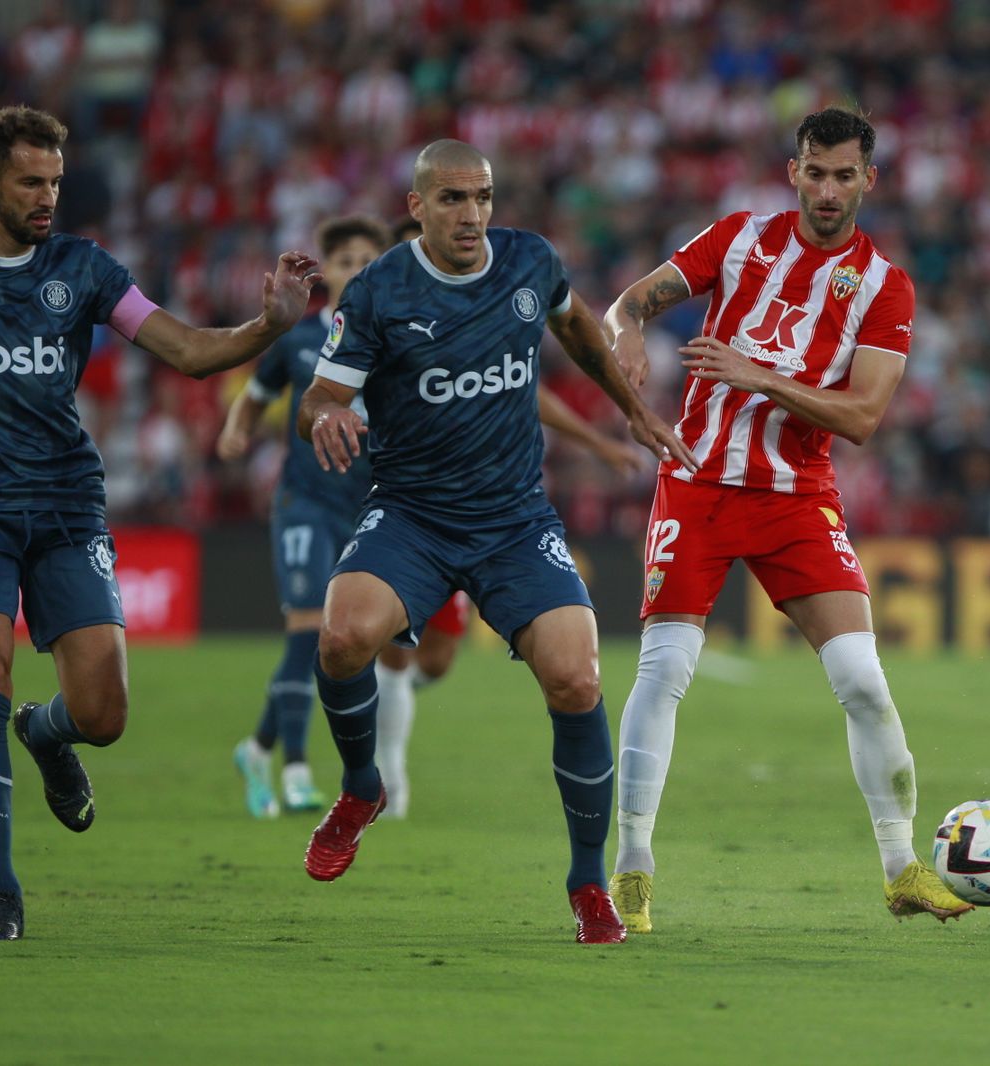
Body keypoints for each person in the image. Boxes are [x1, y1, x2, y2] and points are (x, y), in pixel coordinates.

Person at [296, 139, 692, 944]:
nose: (472, 213)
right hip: (412, 512)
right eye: (452, 199)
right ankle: (362, 786)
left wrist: (630, 409)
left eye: (481, 196)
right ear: (417, 207)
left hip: (514, 518)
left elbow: (579, 329)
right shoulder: (379, 291)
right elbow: (320, 395)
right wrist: (329, 415)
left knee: (578, 678)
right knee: (341, 637)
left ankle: (588, 883)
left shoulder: (529, 261)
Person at [601, 107, 974, 932]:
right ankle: (631, 867)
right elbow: (625, 307)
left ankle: (901, 867)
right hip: (696, 484)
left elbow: (864, 416)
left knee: (865, 685)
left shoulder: (885, 285)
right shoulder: (737, 239)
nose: (830, 189)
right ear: (795, 171)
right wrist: (625, 338)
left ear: (869, 180)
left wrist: (758, 375)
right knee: (663, 672)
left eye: (847, 175)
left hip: (797, 497)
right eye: (817, 171)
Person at [0, 105, 320, 941]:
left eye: (55, 182)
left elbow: (188, 352)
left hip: (64, 500)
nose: (47, 197)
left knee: (103, 713)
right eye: (30, 181)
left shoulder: (83, 267)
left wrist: (269, 325)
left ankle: (46, 733)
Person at [368, 216, 646, 821]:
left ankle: (388, 703)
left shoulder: (483, 306)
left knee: (437, 660)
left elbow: (525, 392)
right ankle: (386, 777)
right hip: (408, 513)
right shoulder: (381, 317)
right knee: (386, 647)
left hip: (489, 518)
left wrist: (598, 444)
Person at [217, 215, 390, 819]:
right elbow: (256, 397)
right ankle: (294, 768)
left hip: (365, 508)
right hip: (303, 502)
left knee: (328, 639)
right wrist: (235, 431)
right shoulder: (296, 341)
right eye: (344, 261)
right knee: (308, 627)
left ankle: (256, 748)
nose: (356, 270)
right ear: (327, 271)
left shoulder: (396, 339)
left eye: (368, 260)